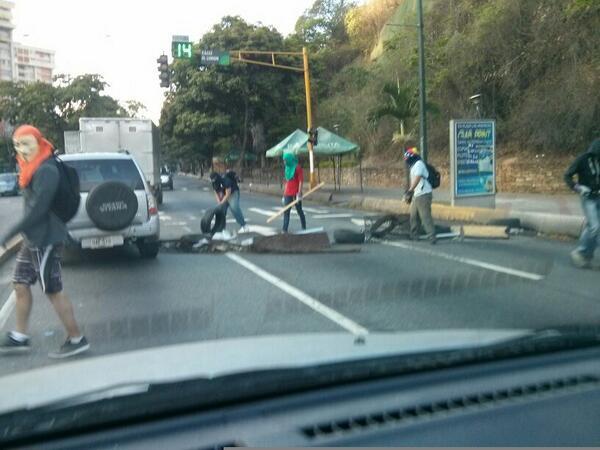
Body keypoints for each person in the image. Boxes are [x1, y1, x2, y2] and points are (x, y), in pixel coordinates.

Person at [0, 125, 89, 358]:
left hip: (47, 238)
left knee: (53, 290)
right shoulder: (31, 167)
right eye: (18, 144)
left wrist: (10, 233)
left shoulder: (47, 169)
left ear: (39, 142)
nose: (22, 149)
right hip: (33, 239)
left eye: (27, 143)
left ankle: (77, 339)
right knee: (20, 283)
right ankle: (20, 337)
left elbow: (38, 209)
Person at [564, 138, 600, 268]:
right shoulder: (583, 160)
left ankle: (585, 254)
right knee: (595, 227)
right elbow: (567, 176)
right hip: (588, 198)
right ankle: (581, 252)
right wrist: (578, 187)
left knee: (593, 227)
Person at [403, 147, 436, 244]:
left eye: (407, 159)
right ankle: (414, 235)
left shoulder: (418, 164)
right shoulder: (413, 166)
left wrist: (410, 190)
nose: (406, 161)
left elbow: (417, 178)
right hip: (417, 194)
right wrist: (411, 193)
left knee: (425, 216)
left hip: (424, 194)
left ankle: (432, 236)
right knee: (413, 216)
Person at [282, 153, 307, 233]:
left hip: (296, 193)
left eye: (285, 160)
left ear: (289, 159)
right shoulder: (287, 168)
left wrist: (299, 193)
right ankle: (284, 230)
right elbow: (287, 181)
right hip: (288, 193)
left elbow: (301, 181)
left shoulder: (297, 168)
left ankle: (304, 227)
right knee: (286, 211)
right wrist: (284, 194)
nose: (284, 162)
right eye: (284, 160)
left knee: (299, 211)